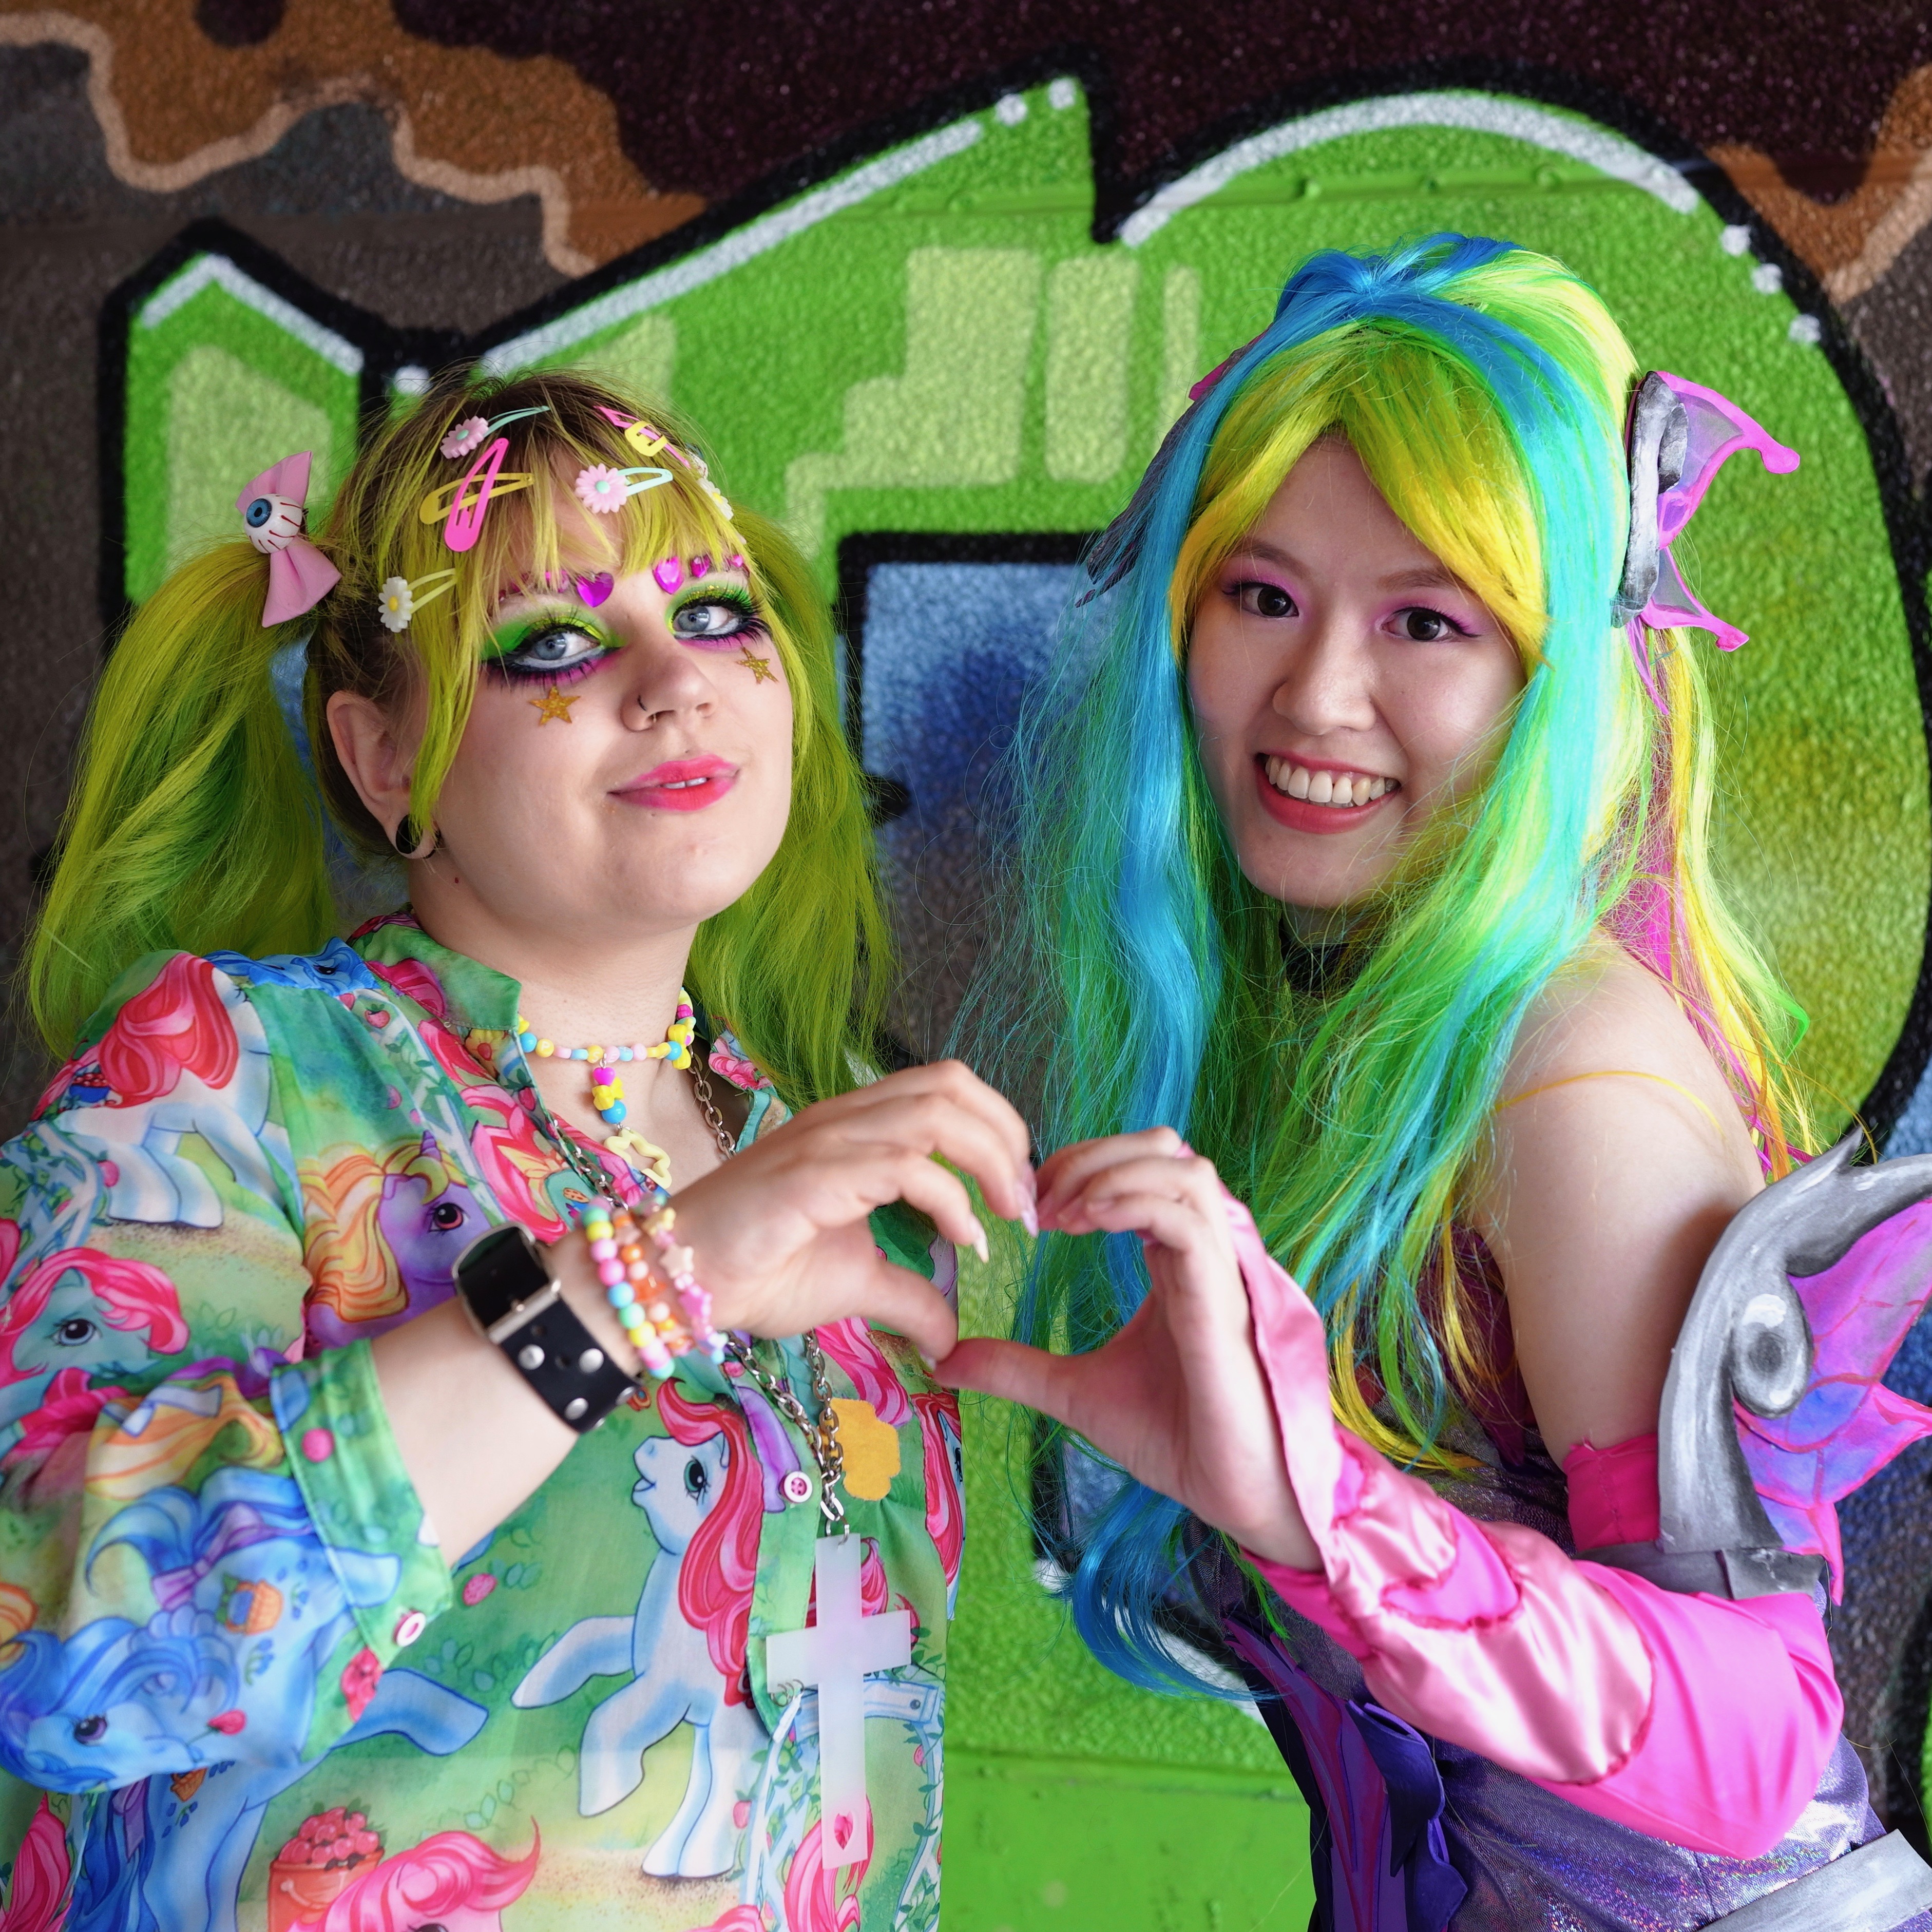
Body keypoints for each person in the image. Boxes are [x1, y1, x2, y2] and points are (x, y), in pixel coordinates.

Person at [944, 235, 1932, 1928]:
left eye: (1425, 620)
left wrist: (1320, 1510)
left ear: (1549, 680)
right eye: (1262, 595)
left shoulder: (1566, 1074)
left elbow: (1757, 1747)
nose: (1316, 692)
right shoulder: (1338, 1032)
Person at [0, 370, 1034, 1931]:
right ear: (381, 757)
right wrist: (634, 1289)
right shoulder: (231, 1075)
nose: (674, 684)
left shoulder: (820, 1163)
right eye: (552, 642)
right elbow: (59, 1654)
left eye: (716, 615)